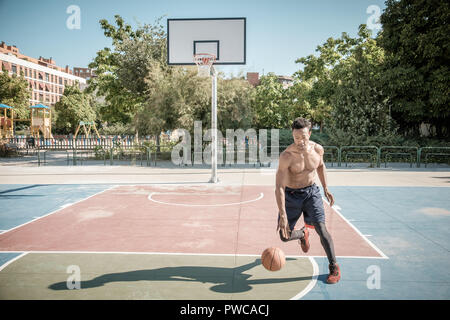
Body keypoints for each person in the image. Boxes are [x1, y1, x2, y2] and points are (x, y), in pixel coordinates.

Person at [274, 117, 340, 284]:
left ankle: (334, 267)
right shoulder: (286, 156)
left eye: (303, 137)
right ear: (293, 136)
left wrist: (325, 188)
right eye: (296, 138)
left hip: (311, 193)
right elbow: (279, 187)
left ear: (309, 134)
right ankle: (302, 234)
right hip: (291, 195)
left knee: (321, 229)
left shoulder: (318, 150)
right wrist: (282, 215)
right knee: (284, 235)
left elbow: (320, 166)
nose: (300, 141)